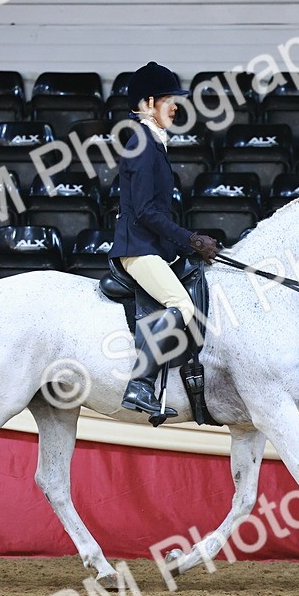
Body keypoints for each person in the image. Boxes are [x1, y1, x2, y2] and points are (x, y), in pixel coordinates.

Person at [107, 61, 221, 420]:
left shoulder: (152, 142)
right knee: (182, 305)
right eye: (170, 100)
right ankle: (140, 383)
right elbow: (144, 212)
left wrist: (187, 245)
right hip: (137, 249)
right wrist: (190, 238)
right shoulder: (141, 142)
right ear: (149, 102)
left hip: (150, 246)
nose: (175, 107)